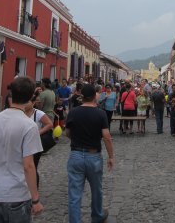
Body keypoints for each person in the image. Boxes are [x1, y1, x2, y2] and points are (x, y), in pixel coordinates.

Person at [0, 76, 43, 222]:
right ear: (31, 96)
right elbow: (29, 166)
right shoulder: (29, 125)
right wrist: (36, 199)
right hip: (17, 195)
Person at [65, 84, 114, 223]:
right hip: (93, 156)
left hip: (75, 155)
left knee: (74, 194)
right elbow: (106, 136)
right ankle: (97, 216)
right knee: (97, 189)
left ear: (82, 97)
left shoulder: (73, 112)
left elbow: (67, 133)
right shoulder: (100, 113)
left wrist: (76, 138)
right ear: (94, 96)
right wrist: (111, 157)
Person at [25, 92, 53, 188]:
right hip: (22, 144)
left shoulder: (38, 113)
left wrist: (38, 132)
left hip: (35, 144)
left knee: (33, 166)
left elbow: (49, 124)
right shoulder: (20, 112)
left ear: (33, 103)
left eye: (27, 102)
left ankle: (34, 188)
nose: (25, 104)